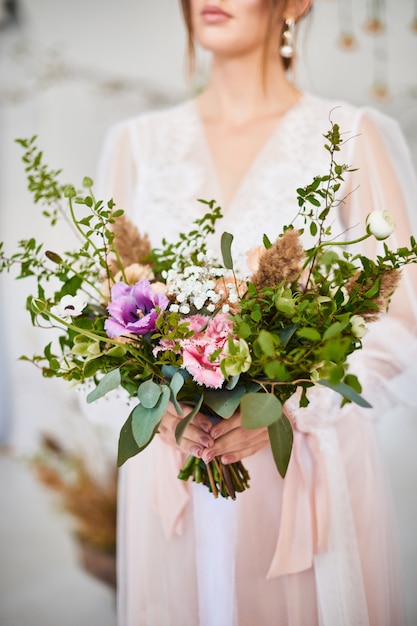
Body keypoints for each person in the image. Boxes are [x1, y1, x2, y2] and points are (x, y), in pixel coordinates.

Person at [96, 1, 417, 624]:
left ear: (295, 2)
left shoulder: (349, 135)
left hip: (299, 475)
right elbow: (103, 317)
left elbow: (401, 320)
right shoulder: (135, 146)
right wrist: (156, 410)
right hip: (174, 479)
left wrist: (289, 408)